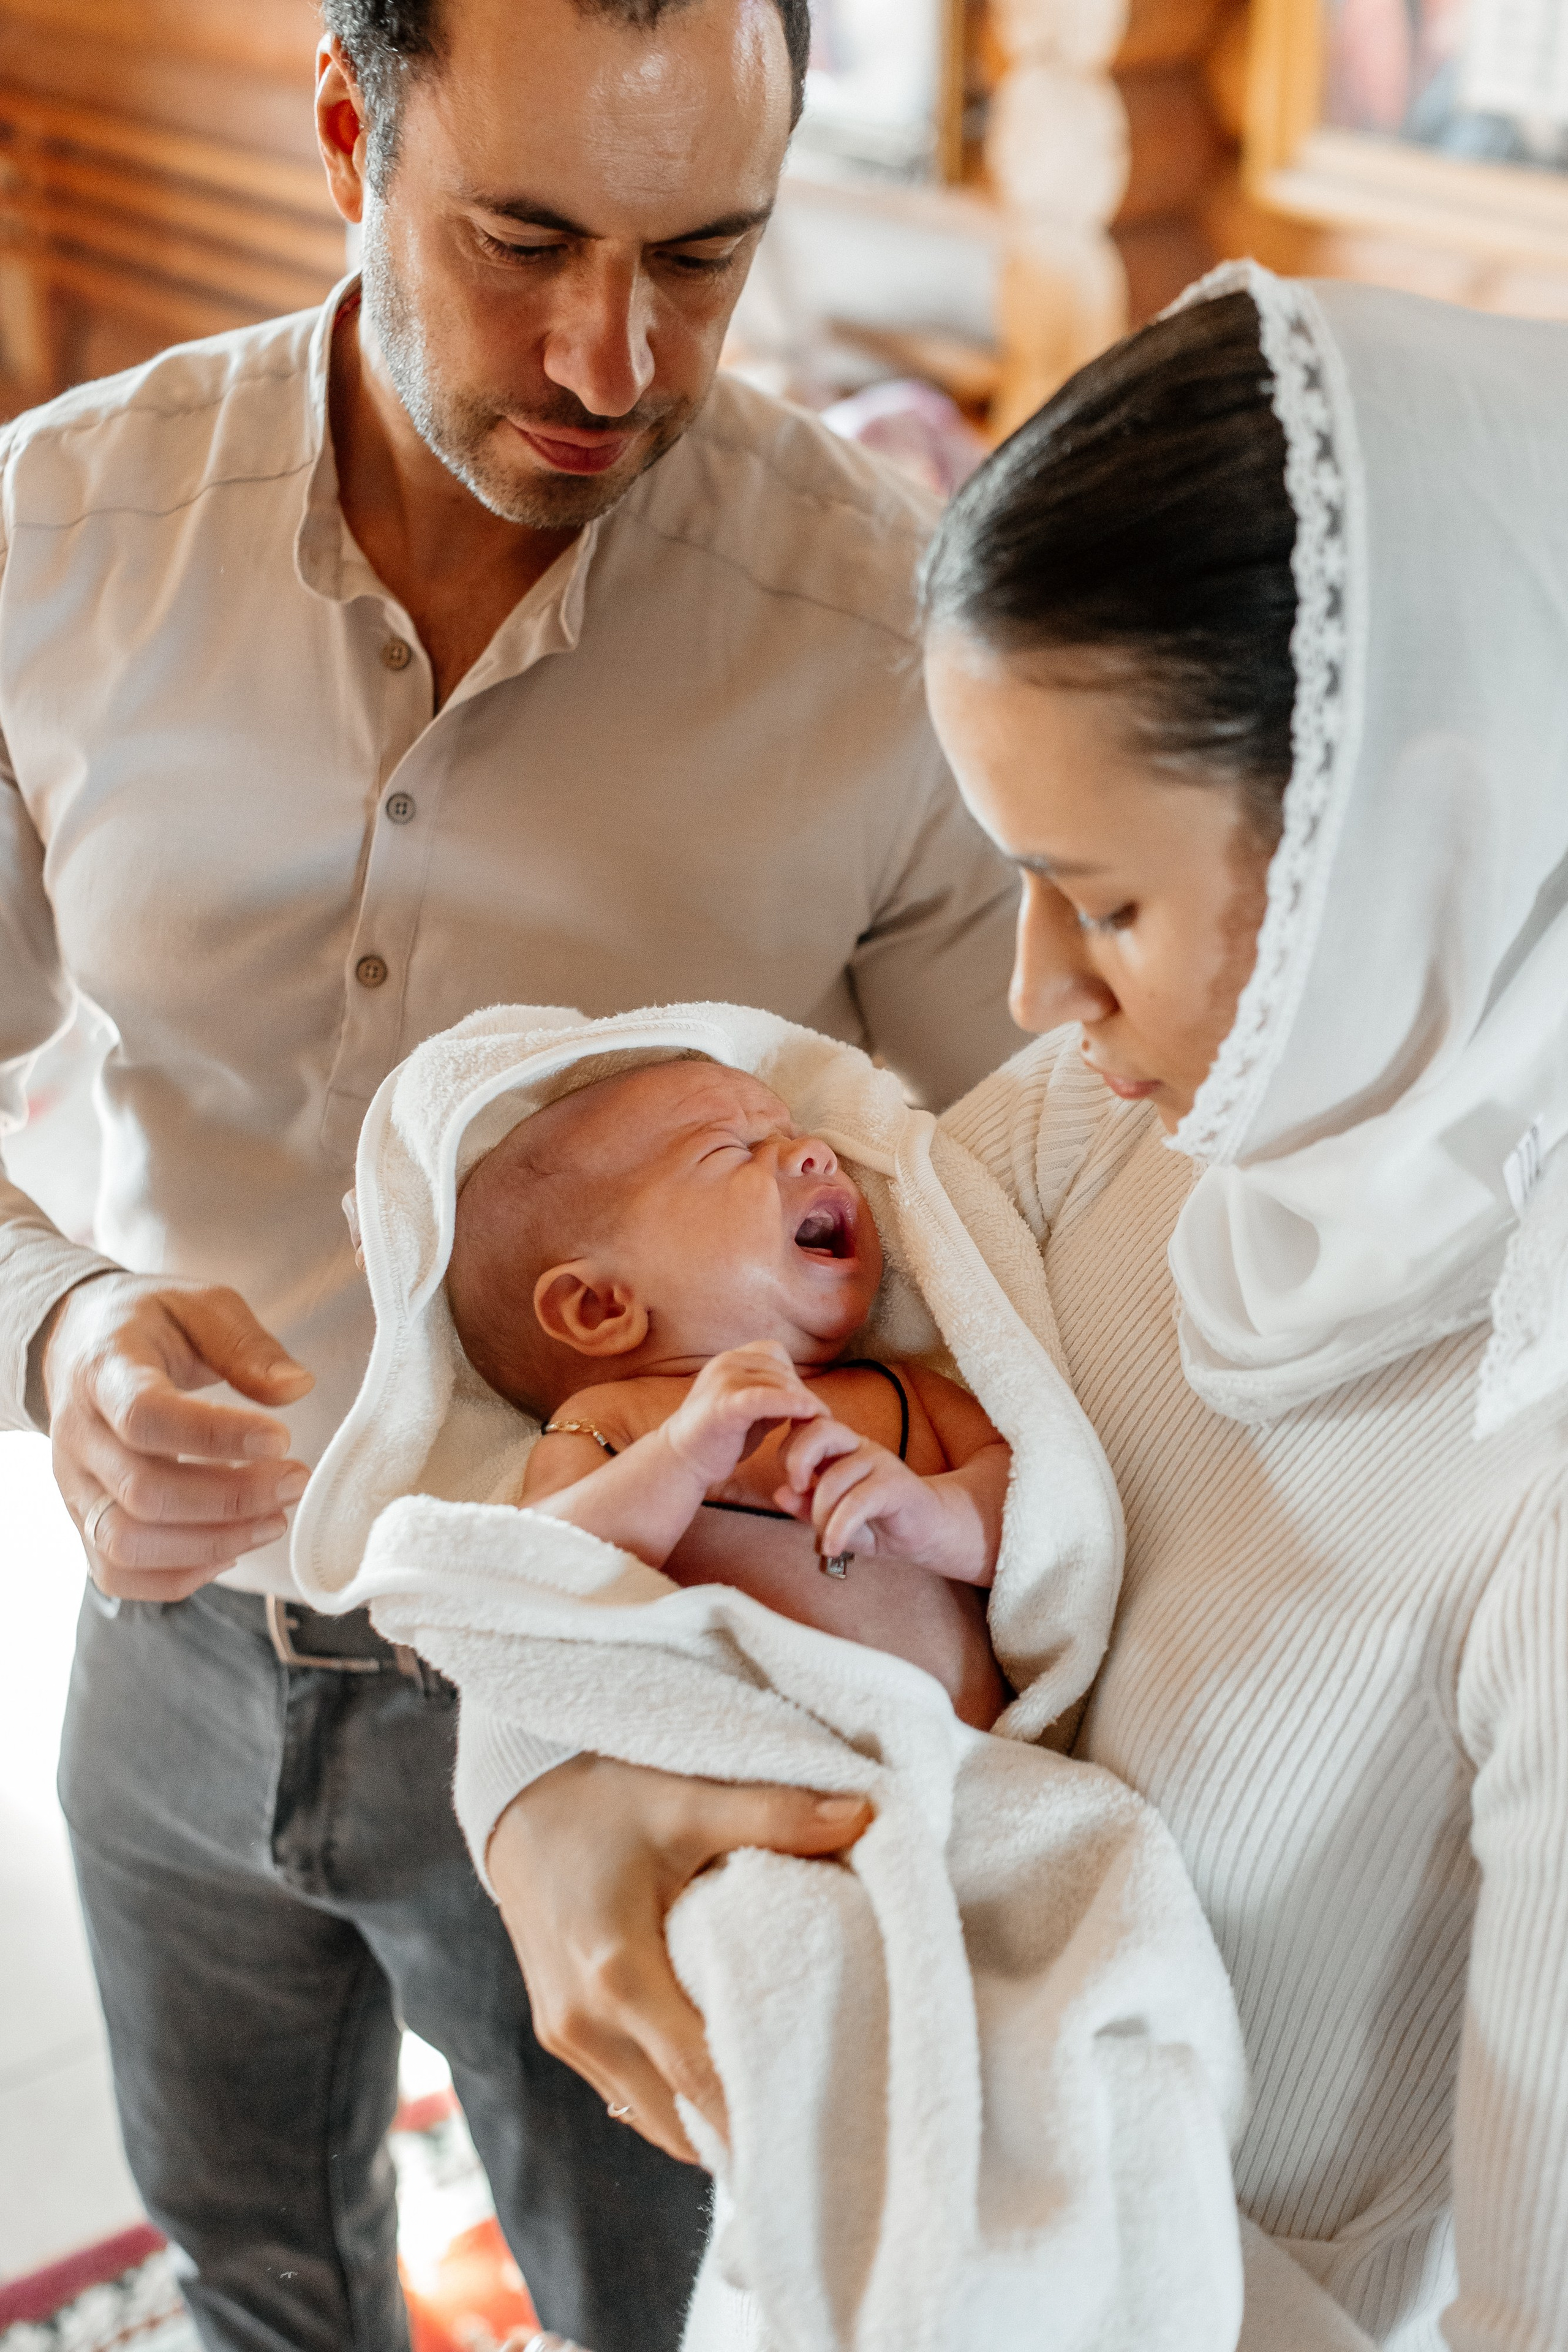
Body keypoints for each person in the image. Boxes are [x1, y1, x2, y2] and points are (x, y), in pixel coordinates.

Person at [0, 1, 1021, 2345]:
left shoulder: (891, 646)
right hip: (161, 1638)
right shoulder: (51, 539)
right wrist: (58, 1328)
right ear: (349, 130)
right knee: (242, 2244)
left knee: (654, 2298)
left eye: (704, 253)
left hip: (644, 1681)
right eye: (522, 236)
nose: (607, 352)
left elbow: (1023, 1238)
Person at [473, 266, 1568, 2349]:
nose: (1030, 995)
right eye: (1020, 881)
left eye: (1112, 902)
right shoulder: (1118, 1114)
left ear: (1414, 827)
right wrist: (542, 1802)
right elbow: (582, 1459)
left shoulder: (1531, 1471)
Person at [447, 1057, 1011, 1727]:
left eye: (795, 1135)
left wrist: (936, 1518)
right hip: (770, 1771)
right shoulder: (618, 1422)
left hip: (978, 1766)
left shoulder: (907, 1392)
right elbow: (545, 1575)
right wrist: (681, 1457)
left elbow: (1044, 1520)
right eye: (733, 1150)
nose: (815, 1153)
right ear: (600, 1306)